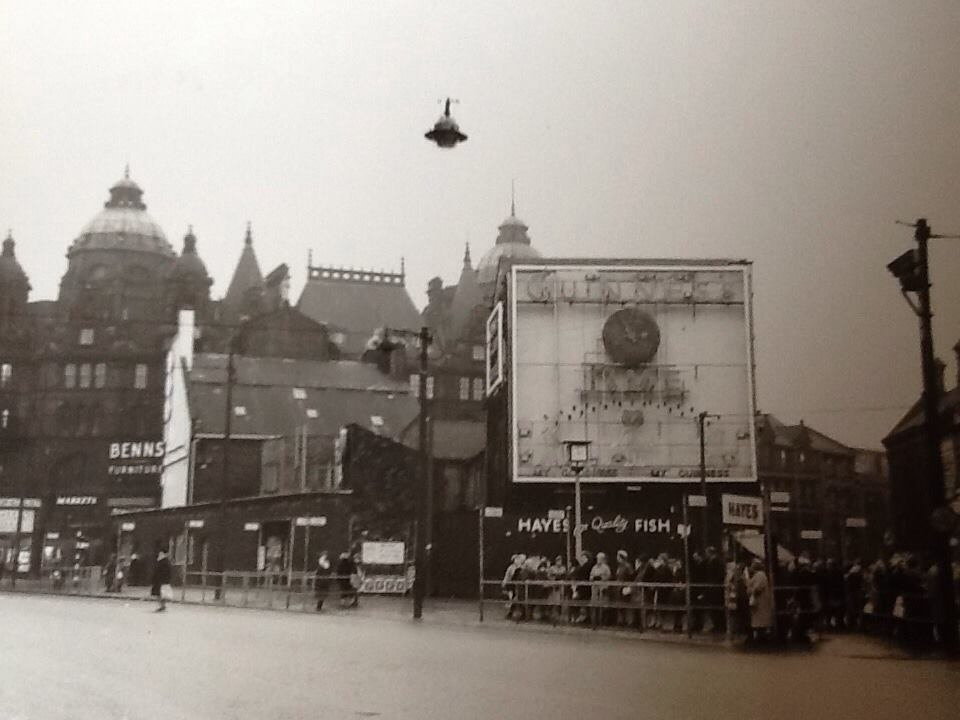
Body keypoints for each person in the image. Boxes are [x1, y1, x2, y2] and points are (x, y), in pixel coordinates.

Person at [746, 558, 773, 643]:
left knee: (761, 619)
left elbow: (757, 588)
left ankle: (761, 635)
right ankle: (760, 634)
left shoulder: (760, 575)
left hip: (760, 600)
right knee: (758, 618)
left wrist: (751, 590)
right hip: (759, 600)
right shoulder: (758, 575)